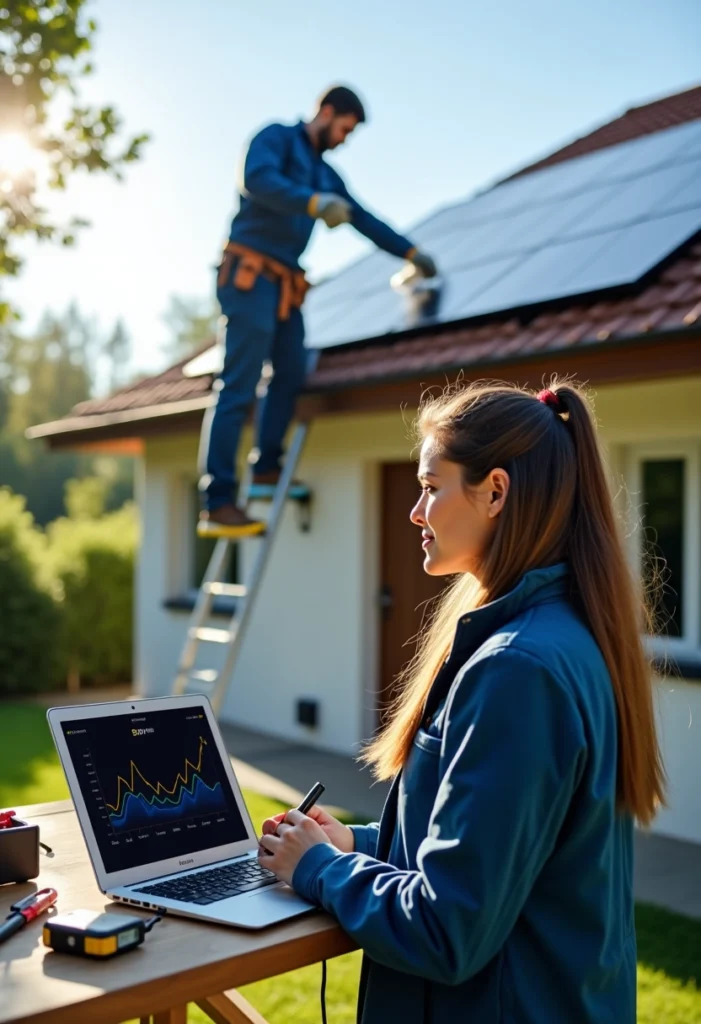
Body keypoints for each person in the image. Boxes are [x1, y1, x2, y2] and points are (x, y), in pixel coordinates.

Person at [257, 380, 666, 1023]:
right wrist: (358, 845)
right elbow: (488, 854)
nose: (416, 512)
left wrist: (318, 870)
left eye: (430, 486)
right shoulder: (558, 636)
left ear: (495, 491)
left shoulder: (518, 670)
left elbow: (448, 929)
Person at [198, 85, 437, 537]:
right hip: (248, 274)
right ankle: (218, 501)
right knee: (239, 384)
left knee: (290, 370)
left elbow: (362, 219)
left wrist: (411, 252)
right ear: (326, 112)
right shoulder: (275, 138)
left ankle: (267, 467)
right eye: (344, 129)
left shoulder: (327, 175)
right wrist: (308, 202)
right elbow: (256, 178)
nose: (344, 139)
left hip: (285, 284)